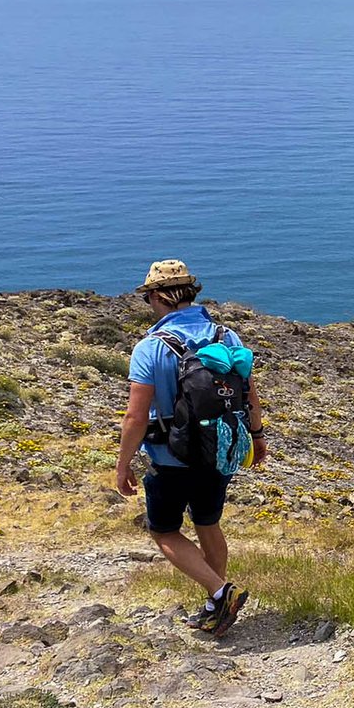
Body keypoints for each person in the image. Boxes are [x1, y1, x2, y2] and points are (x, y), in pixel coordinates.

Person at [116, 260, 268, 637]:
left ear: (154, 296)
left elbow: (136, 417)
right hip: (218, 452)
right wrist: (258, 436)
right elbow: (250, 396)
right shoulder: (226, 337)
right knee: (208, 523)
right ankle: (218, 606)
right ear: (191, 292)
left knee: (165, 531)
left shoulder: (151, 347)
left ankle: (220, 591)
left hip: (170, 457)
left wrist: (122, 465)